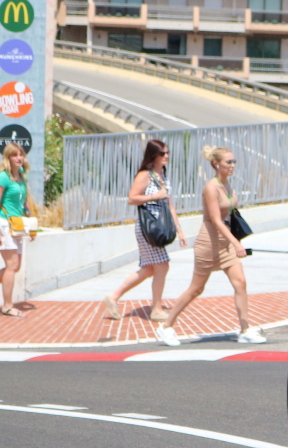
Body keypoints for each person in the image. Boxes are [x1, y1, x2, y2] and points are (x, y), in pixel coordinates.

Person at [155, 146, 265, 346]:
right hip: (209, 243)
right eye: (228, 162)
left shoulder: (227, 185)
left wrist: (234, 241)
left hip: (227, 243)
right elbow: (215, 220)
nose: (232, 166)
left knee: (240, 283)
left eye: (233, 162)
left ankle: (245, 329)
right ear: (216, 164)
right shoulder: (211, 188)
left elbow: (228, 215)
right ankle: (166, 326)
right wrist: (235, 242)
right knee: (196, 288)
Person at [103, 139, 188, 322]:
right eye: (162, 153)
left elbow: (170, 204)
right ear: (153, 155)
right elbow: (132, 198)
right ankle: (156, 309)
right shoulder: (145, 175)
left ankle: (114, 296)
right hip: (148, 227)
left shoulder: (162, 175)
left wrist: (179, 230)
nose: (166, 156)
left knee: (149, 269)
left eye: (167, 153)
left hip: (159, 226)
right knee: (163, 265)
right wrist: (154, 196)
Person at [0, 142, 38, 318]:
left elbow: (25, 200)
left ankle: (8, 304)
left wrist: (31, 223)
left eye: (21, 154)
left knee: (15, 267)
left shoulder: (22, 175)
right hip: (5, 223)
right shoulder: (3, 177)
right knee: (11, 265)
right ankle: (7, 306)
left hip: (18, 224)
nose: (19, 157)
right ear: (8, 158)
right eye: (15, 155)